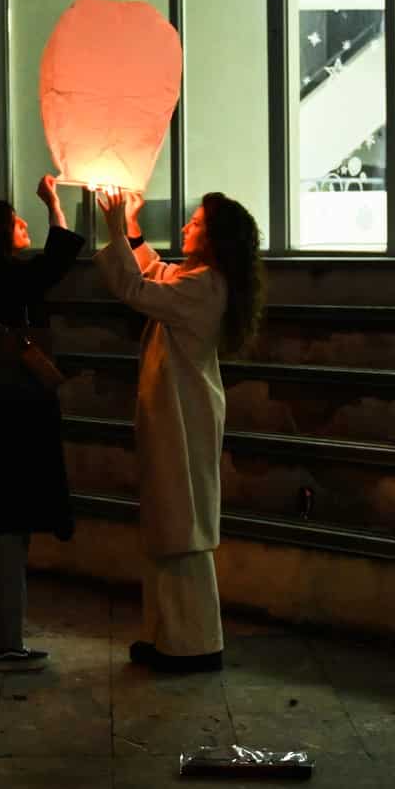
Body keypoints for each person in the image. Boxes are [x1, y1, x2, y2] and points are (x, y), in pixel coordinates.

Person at [94, 188, 264, 673]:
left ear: (212, 239)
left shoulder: (205, 285)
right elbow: (154, 273)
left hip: (184, 415)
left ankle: (195, 642)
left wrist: (113, 225)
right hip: (177, 413)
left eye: (194, 223)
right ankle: (168, 635)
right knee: (169, 521)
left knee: (182, 524)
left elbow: (137, 288)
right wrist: (130, 228)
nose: (186, 227)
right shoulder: (197, 279)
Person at [0, 176, 85, 663]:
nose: (21, 223)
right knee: (6, 528)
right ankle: (1, 640)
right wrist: (56, 208)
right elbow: (53, 267)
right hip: (7, 422)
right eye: (13, 221)